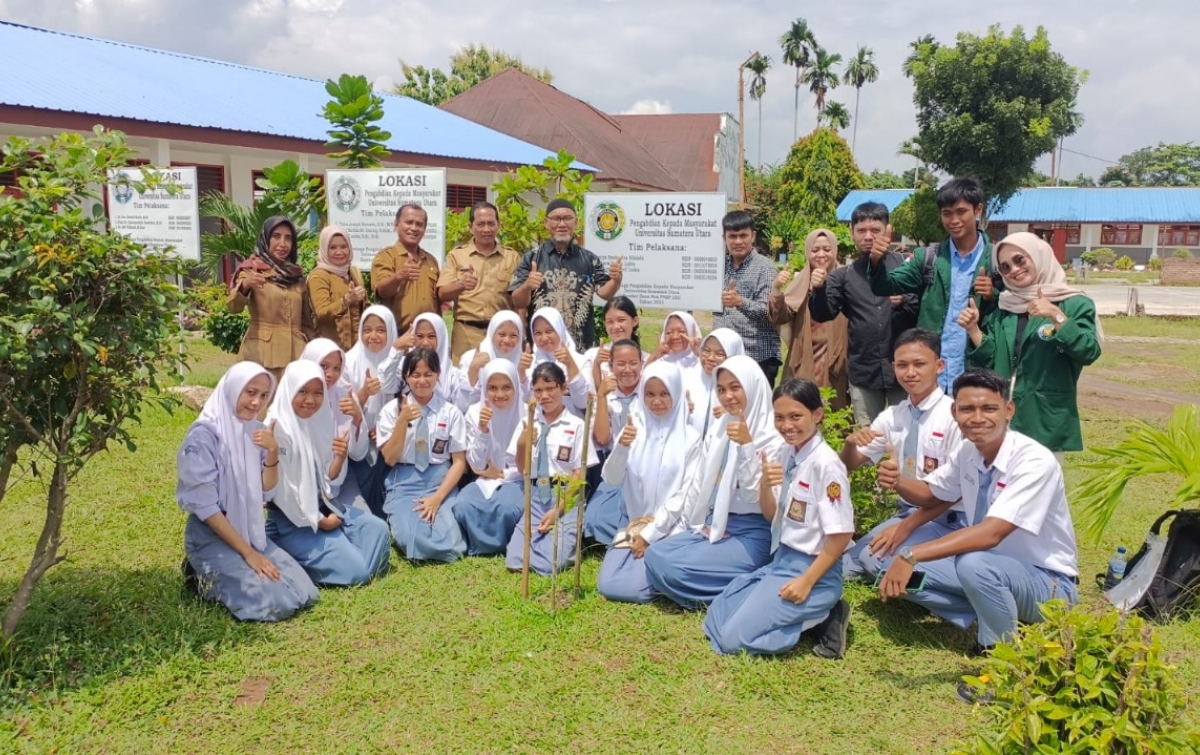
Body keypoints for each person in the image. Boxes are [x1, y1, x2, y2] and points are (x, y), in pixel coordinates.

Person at [875, 368, 1079, 703]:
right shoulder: (968, 453)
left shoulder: (1033, 461)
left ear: (1008, 411)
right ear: (954, 412)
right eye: (967, 409)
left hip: (1050, 585)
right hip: (993, 571)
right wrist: (897, 480)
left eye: (989, 409)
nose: (977, 418)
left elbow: (991, 534)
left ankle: (1003, 668)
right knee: (891, 573)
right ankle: (998, 619)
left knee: (972, 564)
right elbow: (931, 494)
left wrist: (912, 554)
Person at [704, 378, 854, 657]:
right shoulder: (787, 453)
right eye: (780, 418)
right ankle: (804, 613)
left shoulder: (826, 466)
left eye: (796, 416)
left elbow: (842, 533)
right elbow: (773, 515)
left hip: (811, 570)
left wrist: (806, 582)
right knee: (717, 613)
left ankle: (822, 617)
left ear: (817, 415)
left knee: (731, 641)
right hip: (782, 559)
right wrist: (764, 485)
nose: (787, 426)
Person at [176, 362, 318, 621]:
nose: (256, 402)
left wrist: (273, 452)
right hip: (212, 533)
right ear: (232, 389)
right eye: (250, 392)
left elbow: (267, 489)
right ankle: (200, 575)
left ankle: (232, 568)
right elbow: (207, 508)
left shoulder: (256, 431)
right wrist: (249, 554)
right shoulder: (203, 438)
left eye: (264, 395)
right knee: (276, 604)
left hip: (250, 530)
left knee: (306, 594)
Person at [840, 330, 968, 616]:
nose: (910, 373)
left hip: (948, 518)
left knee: (875, 562)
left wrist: (905, 527)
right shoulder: (893, 415)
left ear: (940, 366)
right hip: (909, 513)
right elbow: (850, 463)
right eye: (902, 365)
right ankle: (912, 575)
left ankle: (968, 601)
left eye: (919, 364)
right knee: (850, 563)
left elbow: (955, 491)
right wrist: (850, 444)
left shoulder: (954, 417)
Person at [643, 355, 784, 608]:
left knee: (676, 569)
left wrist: (746, 445)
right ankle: (734, 586)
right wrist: (688, 526)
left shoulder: (774, 437)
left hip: (755, 531)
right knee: (657, 554)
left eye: (735, 387)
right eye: (721, 389)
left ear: (753, 386)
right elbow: (700, 484)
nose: (727, 396)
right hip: (717, 522)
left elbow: (755, 497)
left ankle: (747, 587)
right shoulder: (721, 426)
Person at [959, 232, 1101, 457]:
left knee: (1041, 488)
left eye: (1019, 260)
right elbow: (992, 358)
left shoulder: (1074, 303)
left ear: (1038, 255)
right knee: (999, 487)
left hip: (1043, 418)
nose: (1014, 269)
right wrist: (974, 330)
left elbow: (1089, 351)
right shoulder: (1005, 306)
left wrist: (1057, 316)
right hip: (1001, 416)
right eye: (1005, 267)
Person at [263, 361, 391, 587]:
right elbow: (284, 494)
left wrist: (339, 459)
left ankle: (347, 561)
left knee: (378, 530)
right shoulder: (278, 429)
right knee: (358, 572)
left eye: (317, 393)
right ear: (289, 389)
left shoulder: (316, 421)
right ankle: (290, 551)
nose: (310, 400)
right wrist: (321, 522)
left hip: (324, 505)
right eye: (302, 391)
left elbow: (324, 479)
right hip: (292, 520)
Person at [867, 178, 1000, 392]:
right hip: (933, 374)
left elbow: (1014, 307)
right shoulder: (928, 257)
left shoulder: (996, 258)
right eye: (947, 213)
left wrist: (992, 294)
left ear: (978, 210)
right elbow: (886, 286)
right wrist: (876, 260)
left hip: (976, 370)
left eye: (961, 211)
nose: (954, 220)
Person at [597, 362, 703, 603]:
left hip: (672, 526)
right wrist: (622, 446)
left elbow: (683, 496)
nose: (657, 401)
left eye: (665, 393)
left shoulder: (691, 438)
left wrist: (652, 533)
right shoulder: (634, 430)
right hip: (634, 523)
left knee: (635, 589)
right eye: (650, 394)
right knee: (608, 584)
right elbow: (612, 478)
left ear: (676, 393)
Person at [809, 204, 918, 426]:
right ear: (852, 233)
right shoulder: (843, 276)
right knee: (868, 439)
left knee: (909, 435)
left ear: (888, 230)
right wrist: (818, 289)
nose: (868, 236)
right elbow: (824, 314)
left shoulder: (907, 267)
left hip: (905, 371)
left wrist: (905, 301)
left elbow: (927, 307)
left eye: (875, 230)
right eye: (861, 231)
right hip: (864, 371)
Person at [377, 347, 469, 563]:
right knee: (409, 535)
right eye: (415, 375)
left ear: (438, 375)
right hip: (404, 482)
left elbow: (458, 462)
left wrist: (437, 499)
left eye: (428, 374)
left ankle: (442, 544)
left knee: (452, 537)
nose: (422, 381)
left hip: (440, 481)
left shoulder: (450, 412)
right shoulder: (392, 410)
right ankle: (422, 542)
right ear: (406, 377)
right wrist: (402, 421)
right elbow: (390, 459)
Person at [506, 362, 598, 575]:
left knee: (550, 564)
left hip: (566, 495)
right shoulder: (528, 422)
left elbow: (579, 473)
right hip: (536, 495)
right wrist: (522, 443)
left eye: (550, 388)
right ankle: (539, 542)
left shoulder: (576, 426)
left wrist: (559, 509)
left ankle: (563, 539)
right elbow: (522, 468)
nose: (544, 395)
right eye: (538, 390)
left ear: (563, 388)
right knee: (515, 560)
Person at [508, 198, 623, 350]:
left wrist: (616, 280)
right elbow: (518, 302)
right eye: (556, 218)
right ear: (546, 223)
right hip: (542, 347)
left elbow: (605, 293)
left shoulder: (589, 259)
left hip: (581, 347)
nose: (561, 224)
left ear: (576, 222)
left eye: (567, 218)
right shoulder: (531, 259)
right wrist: (527, 286)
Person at [227, 216, 314, 386]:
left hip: (296, 356)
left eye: (288, 238)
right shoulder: (253, 269)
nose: (283, 243)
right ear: (266, 239)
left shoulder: (296, 275)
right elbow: (233, 307)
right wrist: (245, 285)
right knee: (262, 409)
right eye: (276, 236)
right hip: (262, 356)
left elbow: (306, 323)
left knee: (292, 409)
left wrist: (314, 349)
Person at [769, 228, 849, 409]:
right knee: (802, 406)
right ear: (807, 253)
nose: (821, 255)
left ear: (835, 251)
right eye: (815, 250)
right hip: (805, 355)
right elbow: (780, 317)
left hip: (837, 357)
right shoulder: (802, 280)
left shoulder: (846, 278)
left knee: (836, 410)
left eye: (827, 250)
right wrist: (776, 289)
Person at [453, 360, 526, 556]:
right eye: (492, 388)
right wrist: (483, 429)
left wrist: (504, 473)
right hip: (484, 477)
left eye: (506, 388)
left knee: (508, 508)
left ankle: (505, 545)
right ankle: (479, 545)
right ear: (484, 388)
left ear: (516, 387)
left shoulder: (527, 413)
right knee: (463, 505)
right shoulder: (475, 412)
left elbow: (532, 462)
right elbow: (476, 464)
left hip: (518, 478)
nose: (499, 394)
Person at [438, 201, 521, 362]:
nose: (486, 229)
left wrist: (521, 334)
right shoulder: (457, 256)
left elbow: (517, 300)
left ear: (498, 225)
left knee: (500, 381)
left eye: (491, 223)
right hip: (467, 334)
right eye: (480, 224)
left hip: (501, 335)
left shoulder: (512, 257)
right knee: (465, 382)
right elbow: (442, 293)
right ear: (471, 227)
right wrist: (460, 284)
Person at [343, 305, 403, 517]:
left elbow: (407, 400)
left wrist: (388, 426)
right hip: (357, 440)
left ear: (391, 331)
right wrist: (364, 393)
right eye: (367, 330)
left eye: (380, 330)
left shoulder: (401, 362)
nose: (373, 336)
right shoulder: (348, 362)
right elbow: (343, 409)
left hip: (394, 439)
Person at [585, 338, 645, 546]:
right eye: (620, 364)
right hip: (616, 469)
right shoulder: (608, 396)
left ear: (641, 364)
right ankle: (626, 536)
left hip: (644, 469)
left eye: (633, 363)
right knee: (592, 519)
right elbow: (602, 438)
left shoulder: (650, 393)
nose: (627, 369)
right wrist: (601, 396)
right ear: (610, 366)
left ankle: (635, 535)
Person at [301, 338, 371, 506]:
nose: (330, 374)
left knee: (372, 529)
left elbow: (358, 453)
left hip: (337, 485)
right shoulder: (292, 395)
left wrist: (357, 418)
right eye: (323, 366)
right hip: (300, 492)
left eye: (336, 369)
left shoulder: (343, 396)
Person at [714, 210, 781, 385]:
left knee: (755, 410)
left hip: (758, 357)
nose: (738, 241)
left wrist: (740, 302)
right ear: (724, 238)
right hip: (724, 355)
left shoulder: (765, 268)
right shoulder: (718, 267)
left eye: (743, 235)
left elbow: (769, 312)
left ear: (753, 236)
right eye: (732, 236)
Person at [371, 203, 440, 332]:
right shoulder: (386, 257)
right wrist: (399, 276)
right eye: (409, 222)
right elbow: (382, 291)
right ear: (396, 224)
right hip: (397, 335)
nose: (414, 228)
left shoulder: (431, 261)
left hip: (427, 336)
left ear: (424, 229)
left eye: (419, 224)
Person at [307, 225, 368, 351]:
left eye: (344, 247)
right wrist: (346, 300)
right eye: (332, 247)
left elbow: (364, 308)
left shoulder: (353, 273)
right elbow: (321, 312)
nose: (339, 252)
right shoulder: (319, 276)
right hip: (330, 349)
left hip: (356, 348)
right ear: (324, 249)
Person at [398, 312, 472, 413]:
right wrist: (396, 348)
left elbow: (462, 408)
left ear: (441, 337)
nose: (425, 343)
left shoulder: (452, 375)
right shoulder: (402, 366)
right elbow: (386, 384)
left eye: (431, 336)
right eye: (419, 336)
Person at [528, 307, 590, 416]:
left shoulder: (581, 362)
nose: (544, 337)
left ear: (560, 330)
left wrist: (570, 364)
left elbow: (584, 402)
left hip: (572, 429)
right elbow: (525, 400)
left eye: (549, 331)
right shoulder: (529, 364)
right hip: (538, 429)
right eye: (538, 333)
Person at [458, 310, 526, 407]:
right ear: (491, 333)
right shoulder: (469, 359)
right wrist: (474, 369)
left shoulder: (525, 363)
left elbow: (530, 403)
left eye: (513, 335)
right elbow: (461, 405)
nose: (507, 340)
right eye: (501, 334)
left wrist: (523, 375)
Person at [686, 329, 745, 437]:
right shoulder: (688, 378)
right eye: (706, 351)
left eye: (720, 354)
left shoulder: (745, 388)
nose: (710, 358)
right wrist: (680, 406)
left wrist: (732, 410)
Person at [579, 296, 648, 384]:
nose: (615, 327)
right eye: (610, 322)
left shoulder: (646, 359)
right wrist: (597, 364)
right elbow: (589, 393)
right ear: (604, 324)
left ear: (635, 321)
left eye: (621, 320)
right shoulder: (592, 356)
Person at [646, 310, 703, 383]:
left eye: (681, 332)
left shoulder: (700, 362)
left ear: (691, 332)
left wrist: (700, 354)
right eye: (669, 333)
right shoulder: (659, 361)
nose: (675, 337)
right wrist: (655, 355)